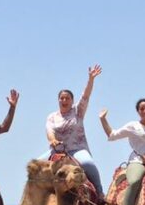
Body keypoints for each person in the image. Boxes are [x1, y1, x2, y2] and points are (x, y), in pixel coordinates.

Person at [40, 65, 104, 197]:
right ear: (58, 100)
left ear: (72, 100)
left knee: (88, 163)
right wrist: (52, 140)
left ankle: (99, 192)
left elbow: (86, 95)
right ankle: (31, 202)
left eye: (67, 98)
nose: (64, 100)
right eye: (62, 98)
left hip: (77, 149)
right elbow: (49, 131)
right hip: (57, 150)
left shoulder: (78, 111)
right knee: (34, 167)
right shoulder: (52, 116)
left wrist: (91, 79)